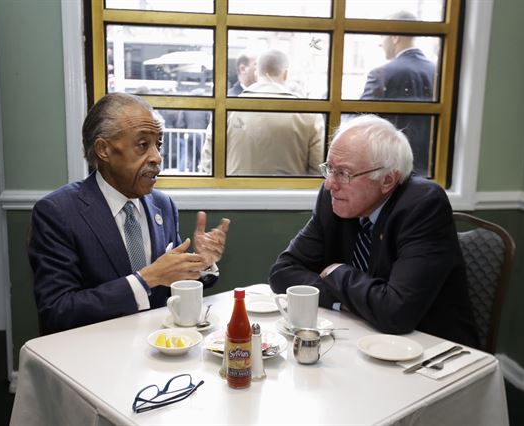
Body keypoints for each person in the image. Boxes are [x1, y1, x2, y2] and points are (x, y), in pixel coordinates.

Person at [268, 114, 478, 347]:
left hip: (430, 349)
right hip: (360, 336)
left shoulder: (422, 205)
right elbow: (282, 272)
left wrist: (337, 273)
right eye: (330, 169)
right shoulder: (333, 198)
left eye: (344, 174)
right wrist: (347, 301)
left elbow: (396, 313)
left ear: (388, 180)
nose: (330, 184)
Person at [28, 93, 230, 334]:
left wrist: (201, 264)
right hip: (94, 353)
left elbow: (171, 281)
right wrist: (144, 280)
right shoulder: (57, 212)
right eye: (143, 145)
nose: (157, 157)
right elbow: (57, 311)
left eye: (159, 144)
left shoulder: (163, 205)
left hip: (159, 349)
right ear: (103, 149)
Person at [201, 49, 324, 175]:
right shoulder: (310, 114)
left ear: (256, 74)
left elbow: (209, 161)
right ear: (285, 74)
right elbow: (317, 168)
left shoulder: (226, 111)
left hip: (236, 191)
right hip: (288, 192)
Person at [360, 11, 436, 176]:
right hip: (432, 169)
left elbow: (362, 123)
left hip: (391, 169)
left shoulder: (381, 73)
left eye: (382, 37)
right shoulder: (437, 73)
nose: (380, 44)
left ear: (395, 37)